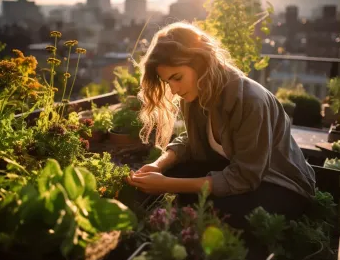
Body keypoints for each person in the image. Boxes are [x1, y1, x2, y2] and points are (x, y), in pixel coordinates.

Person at [127, 21, 316, 229]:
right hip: (238, 171)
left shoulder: (250, 100)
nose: (173, 90)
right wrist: (158, 166)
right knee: (176, 175)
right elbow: (191, 140)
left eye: (177, 77)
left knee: (212, 210)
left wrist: (167, 185)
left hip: (279, 184)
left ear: (199, 62)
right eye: (167, 82)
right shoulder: (196, 93)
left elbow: (245, 177)